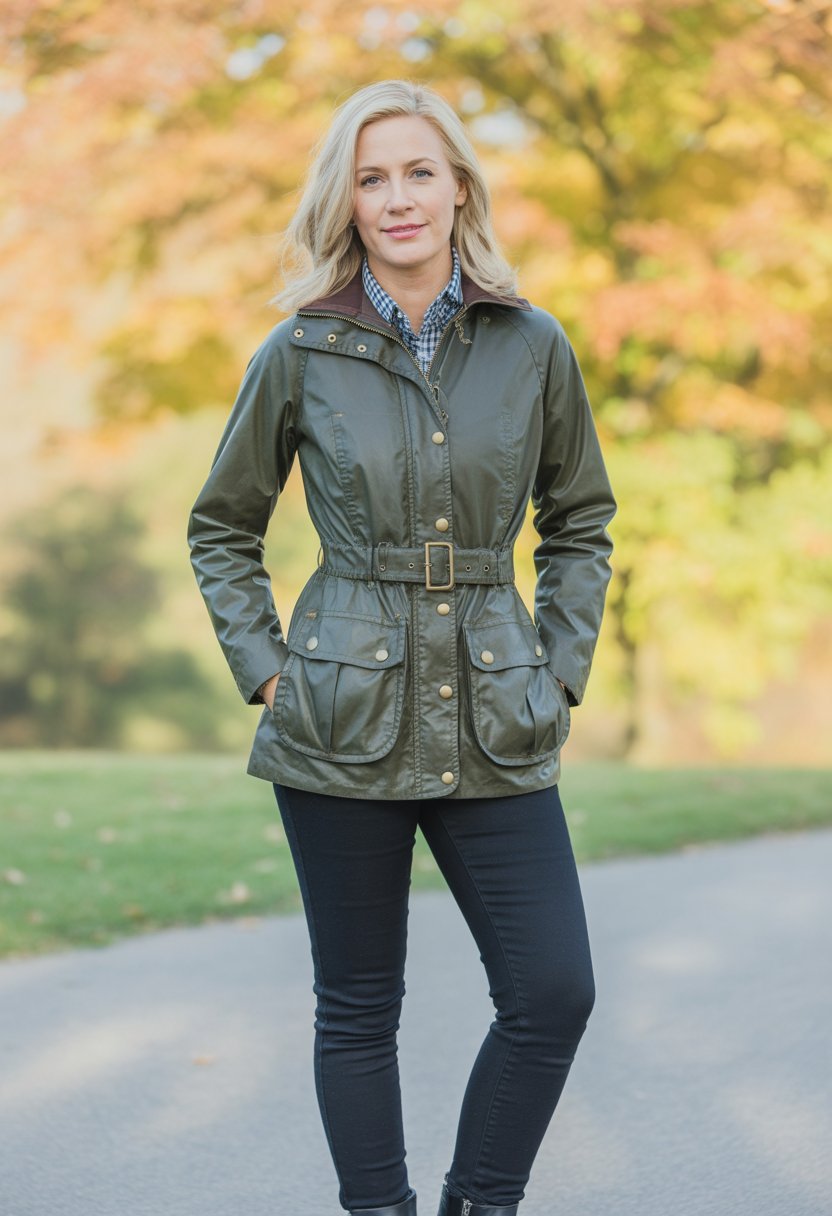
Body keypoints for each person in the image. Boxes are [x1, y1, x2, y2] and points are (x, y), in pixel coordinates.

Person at [187, 79, 616, 1216]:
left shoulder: (532, 345)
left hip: (496, 703)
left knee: (553, 990)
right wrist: (269, 670)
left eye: (418, 170)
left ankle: (480, 1201)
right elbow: (222, 526)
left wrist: (559, 670)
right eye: (370, 178)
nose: (396, 197)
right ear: (348, 201)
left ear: (459, 184)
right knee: (359, 1003)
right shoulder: (300, 348)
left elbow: (579, 522)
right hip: (336, 708)